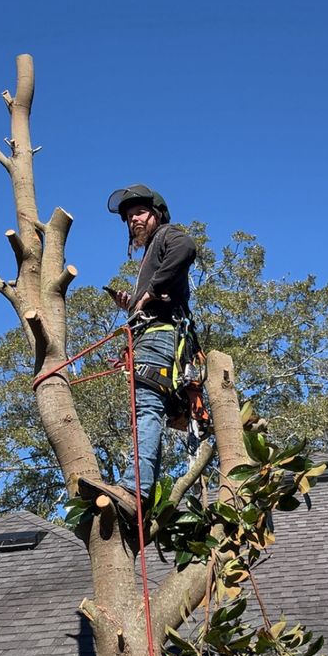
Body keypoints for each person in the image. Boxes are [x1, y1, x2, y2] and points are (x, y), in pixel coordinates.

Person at [78, 184, 196, 521]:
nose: (133, 221)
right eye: (129, 218)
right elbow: (158, 296)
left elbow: (186, 247)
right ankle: (137, 490)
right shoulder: (151, 255)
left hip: (159, 336)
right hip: (149, 335)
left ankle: (134, 490)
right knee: (144, 410)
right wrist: (133, 301)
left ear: (157, 213)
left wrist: (152, 290)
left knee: (147, 409)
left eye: (139, 214)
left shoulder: (168, 235)